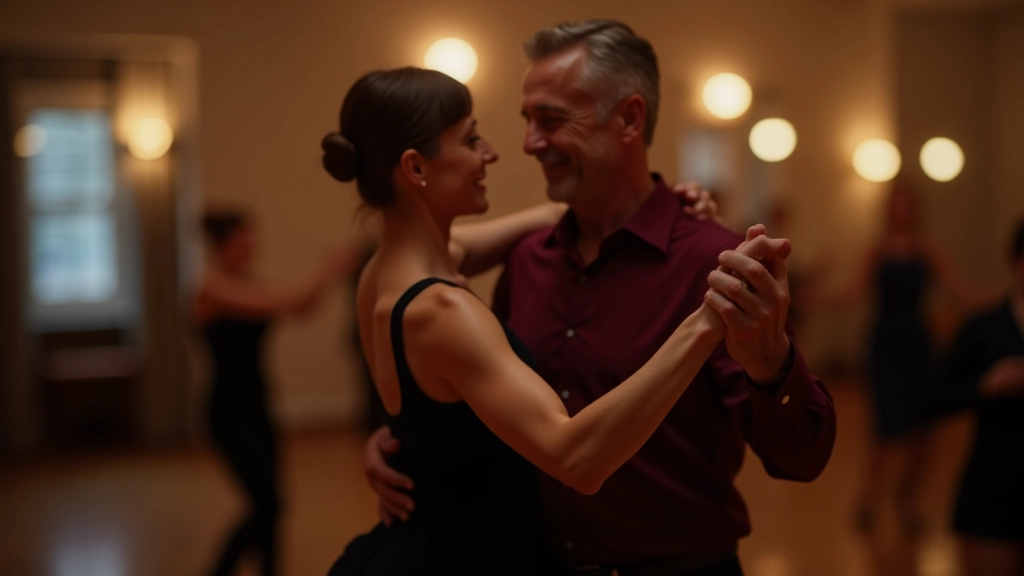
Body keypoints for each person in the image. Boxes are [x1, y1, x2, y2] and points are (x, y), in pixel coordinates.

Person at [365, 19, 836, 576]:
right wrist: (408, 441)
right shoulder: (528, 259)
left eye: (551, 120)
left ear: (629, 119)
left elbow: (801, 461)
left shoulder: (716, 264)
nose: (528, 144)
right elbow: (490, 400)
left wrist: (770, 365)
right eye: (527, 120)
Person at [802, 182, 993, 536]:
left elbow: (957, 291)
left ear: (915, 210)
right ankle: (869, 498)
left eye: (907, 205)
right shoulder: (877, 250)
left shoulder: (927, 250)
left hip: (918, 345)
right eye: (897, 204)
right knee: (884, 429)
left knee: (922, 429)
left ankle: (907, 501)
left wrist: (1003, 300)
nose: (902, 211)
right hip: (885, 346)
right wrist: (811, 299)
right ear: (890, 210)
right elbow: (853, 293)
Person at [193, 210, 356, 576]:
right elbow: (288, 302)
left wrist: (329, 278)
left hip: (258, 404)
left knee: (274, 505)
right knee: (267, 504)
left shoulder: (250, 284)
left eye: (252, 239)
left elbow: (300, 308)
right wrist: (326, 268)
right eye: (242, 241)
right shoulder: (210, 287)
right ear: (221, 247)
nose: (251, 247)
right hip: (227, 410)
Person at [929, 219, 1024, 576]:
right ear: (1016, 261)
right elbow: (932, 398)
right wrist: (984, 386)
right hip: (992, 497)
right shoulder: (985, 328)